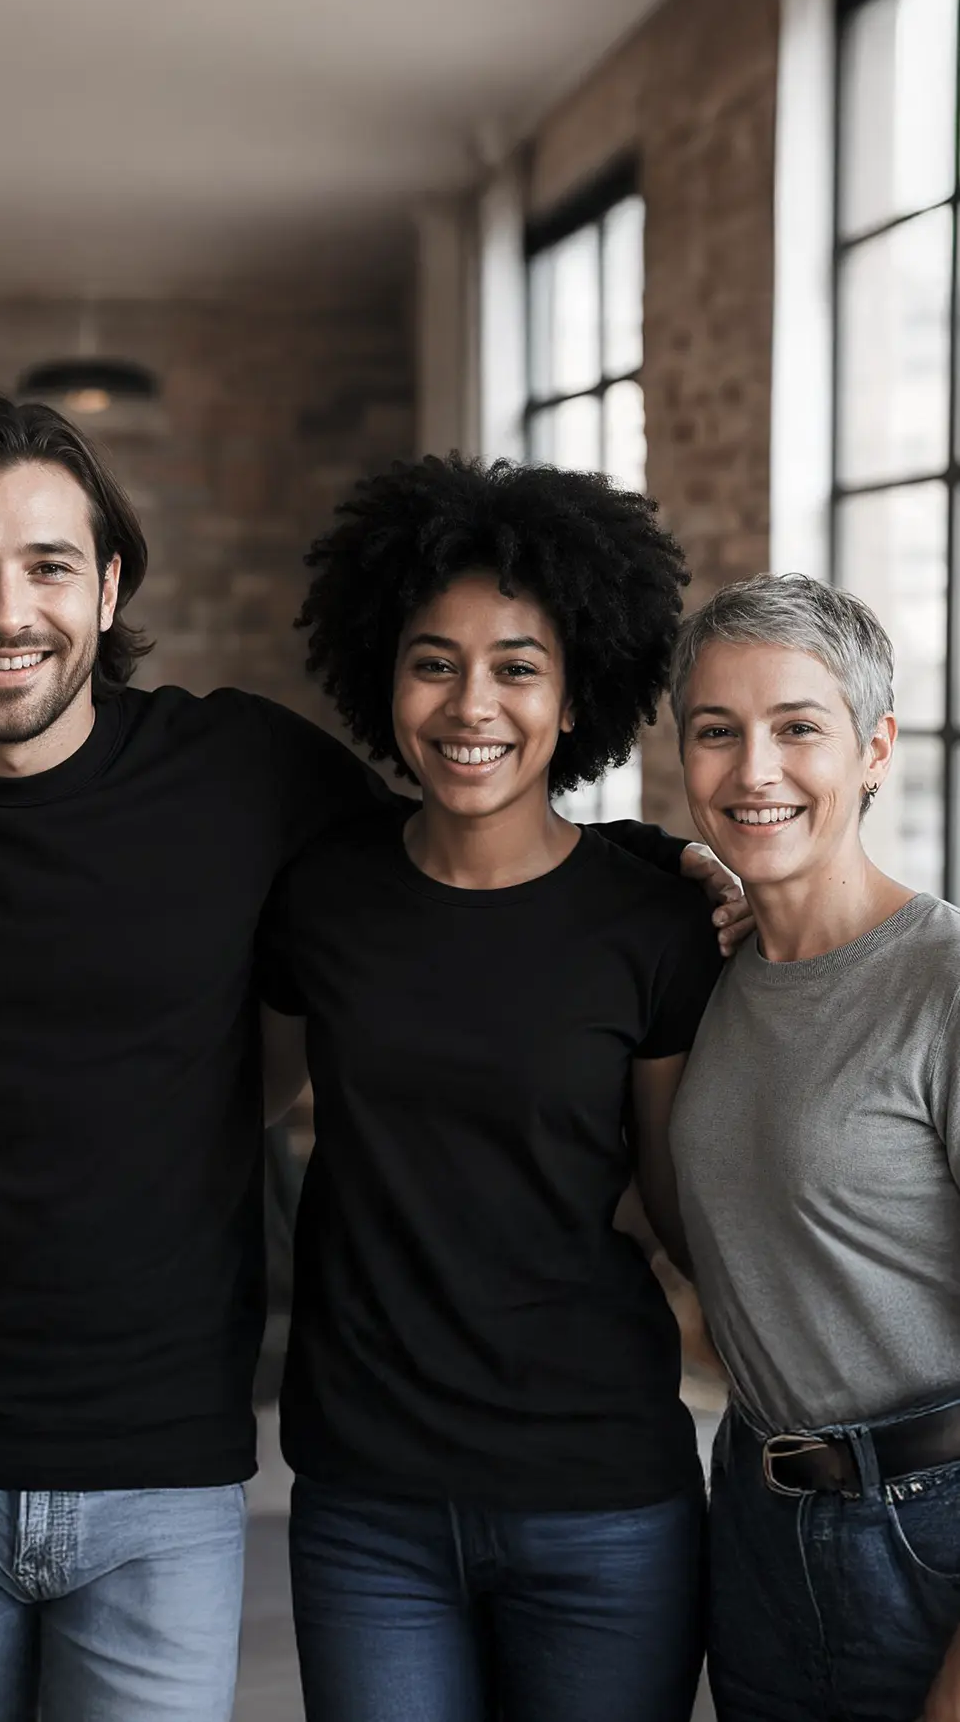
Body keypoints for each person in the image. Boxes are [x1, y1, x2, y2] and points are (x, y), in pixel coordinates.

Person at [0, 398, 746, 1722]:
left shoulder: (248, 775)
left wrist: (659, 865)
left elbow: (466, 837)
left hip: (169, 1466)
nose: (6, 609)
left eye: (47, 565)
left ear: (105, 588)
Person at [258, 454, 727, 1722]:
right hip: (368, 1503)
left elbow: (683, 1212)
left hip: (601, 1499)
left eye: (518, 665)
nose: (473, 703)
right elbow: (237, 1095)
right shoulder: (324, 895)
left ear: (577, 694)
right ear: (382, 676)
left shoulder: (651, 918)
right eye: (434, 660)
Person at [668, 574, 960, 1722]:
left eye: (798, 728)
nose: (753, 770)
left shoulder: (940, 981)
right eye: (716, 731)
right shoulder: (705, 974)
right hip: (753, 1511)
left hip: (928, 1526)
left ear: (876, 748)